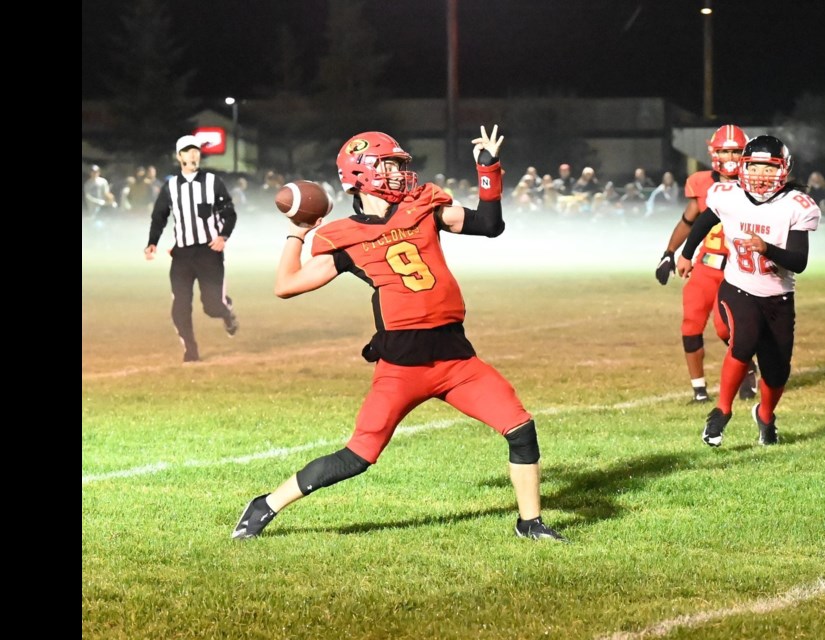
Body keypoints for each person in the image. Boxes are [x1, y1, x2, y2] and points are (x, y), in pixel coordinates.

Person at [232, 126, 565, 542]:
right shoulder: (344, 237)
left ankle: (529, 523)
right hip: (402, 367)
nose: (399, 173)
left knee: (520, 427)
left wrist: (489, 168)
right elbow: (286, 285)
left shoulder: (423, 205)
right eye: (389, 165)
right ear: (361, 172)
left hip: (455, 359)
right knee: (357, 456)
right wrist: (297, 233)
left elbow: (490, 224)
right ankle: (265, 504)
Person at [677, 135, 821, 447]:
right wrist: (687, 254)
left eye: (768, 169)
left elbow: (799, 261)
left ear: (783, 170)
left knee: (777, 370)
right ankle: (721, 412)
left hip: (778, 296)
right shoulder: (728, 195)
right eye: (754, 167)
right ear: (744, 167)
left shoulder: (796, 205)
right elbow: (705, 220)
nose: (760, 175)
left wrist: (767, 248)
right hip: (739, 286)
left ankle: (766, 415)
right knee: (744, 341)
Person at [655, 125, 757, 402]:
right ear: (714, 152)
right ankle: (699, 390)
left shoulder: (755, 184)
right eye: (725, 150)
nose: (730, 157)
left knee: (726, 329)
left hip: (737, 269)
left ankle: (747, 369)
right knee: (690, 325)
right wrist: (670, 253)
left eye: (735, 151)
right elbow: (689, 220)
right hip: (706, 266)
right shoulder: (701, 183)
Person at [144, 135, 239, 363]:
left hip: (209, 252)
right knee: (180, 306)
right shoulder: (171, 186)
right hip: (182, 254)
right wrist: (152, 242)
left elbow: (229, 213)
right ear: (179, 156)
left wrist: (223, 236)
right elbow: (159, 216)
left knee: (212, 307)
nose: (193, 154)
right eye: (187, 151)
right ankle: (191, 350)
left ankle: (225, 312)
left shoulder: (212, 182)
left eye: (196, 150)